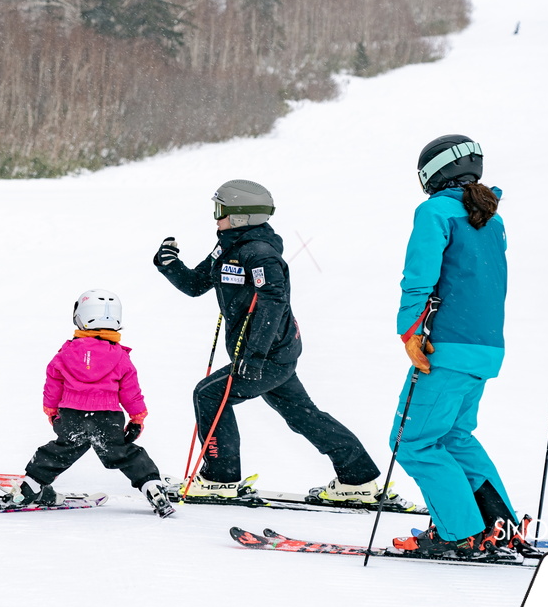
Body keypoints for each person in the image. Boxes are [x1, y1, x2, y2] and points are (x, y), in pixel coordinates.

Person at [154, 179, 386, 503]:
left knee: (209, 395)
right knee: (303, 415)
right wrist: (169, 265)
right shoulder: (228, 248)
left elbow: (273, 302)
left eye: (219, 210)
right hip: (265, 355)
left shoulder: (260, 254)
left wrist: (255, 355)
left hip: (268, 355)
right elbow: (195, 284)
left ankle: (220, 479)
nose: (215, 217)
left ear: (240, 216)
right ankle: (358, 478)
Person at [389, 135, 526, 560]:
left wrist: (410, 331)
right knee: (454, 435)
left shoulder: (436, 211)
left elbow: (420, 276)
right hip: (483, 349)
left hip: (446, 348)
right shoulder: (491, 218)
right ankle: (497, 526)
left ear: (433, 172)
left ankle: (459, 533)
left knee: (412, 441)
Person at [8, 289, 175, 518]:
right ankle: (152, 487)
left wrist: (51, 409)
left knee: (58, 452)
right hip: (107, 417)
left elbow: (53, 382)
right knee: (125, 454)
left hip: (72, 415)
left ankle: (29, 488)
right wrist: (138, 417)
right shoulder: (120, 356)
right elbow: (131, 391)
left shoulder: (66, 353)